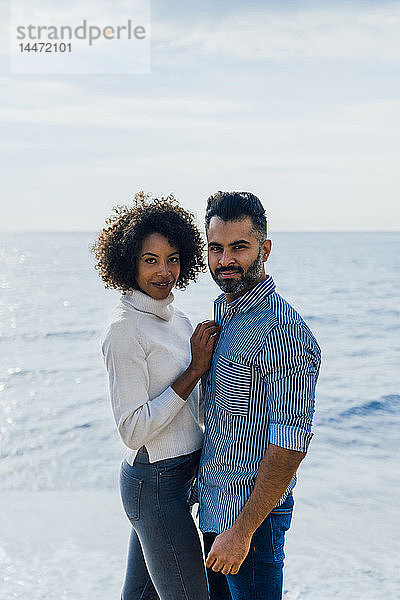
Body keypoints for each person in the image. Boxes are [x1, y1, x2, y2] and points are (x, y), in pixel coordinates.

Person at [92, 192, 218, 600]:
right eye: (150, 260)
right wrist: (194, 371)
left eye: (172, 258)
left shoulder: (177, 320)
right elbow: (132, 430)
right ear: (129, 263)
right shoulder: (124, 329)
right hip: (155, 483)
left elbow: (194, 412)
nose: (164, 271)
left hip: (181, 479)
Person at [197, 191, 321, 600]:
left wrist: (243, 531)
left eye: (239, 248)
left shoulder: (281, 331)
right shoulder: (226, 312)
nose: (225, 260)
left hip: (251, 522)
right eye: (216, 248)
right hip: (214, 510)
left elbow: (290, 444)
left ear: (264, 249)